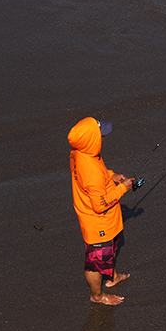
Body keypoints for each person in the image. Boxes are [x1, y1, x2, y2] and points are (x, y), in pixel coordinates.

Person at [68, 117, 134, 305]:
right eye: (100, 135)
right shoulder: (91, 173)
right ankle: (97, 295)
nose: (103, 138)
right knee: (95, 264)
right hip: (97, 224)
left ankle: (112, 278)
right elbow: (99, 204)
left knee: (110, 249)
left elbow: (99, 171)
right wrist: (123, 188)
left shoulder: (80, 152)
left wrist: (112, 176)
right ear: (91, 140)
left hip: (106, 221)